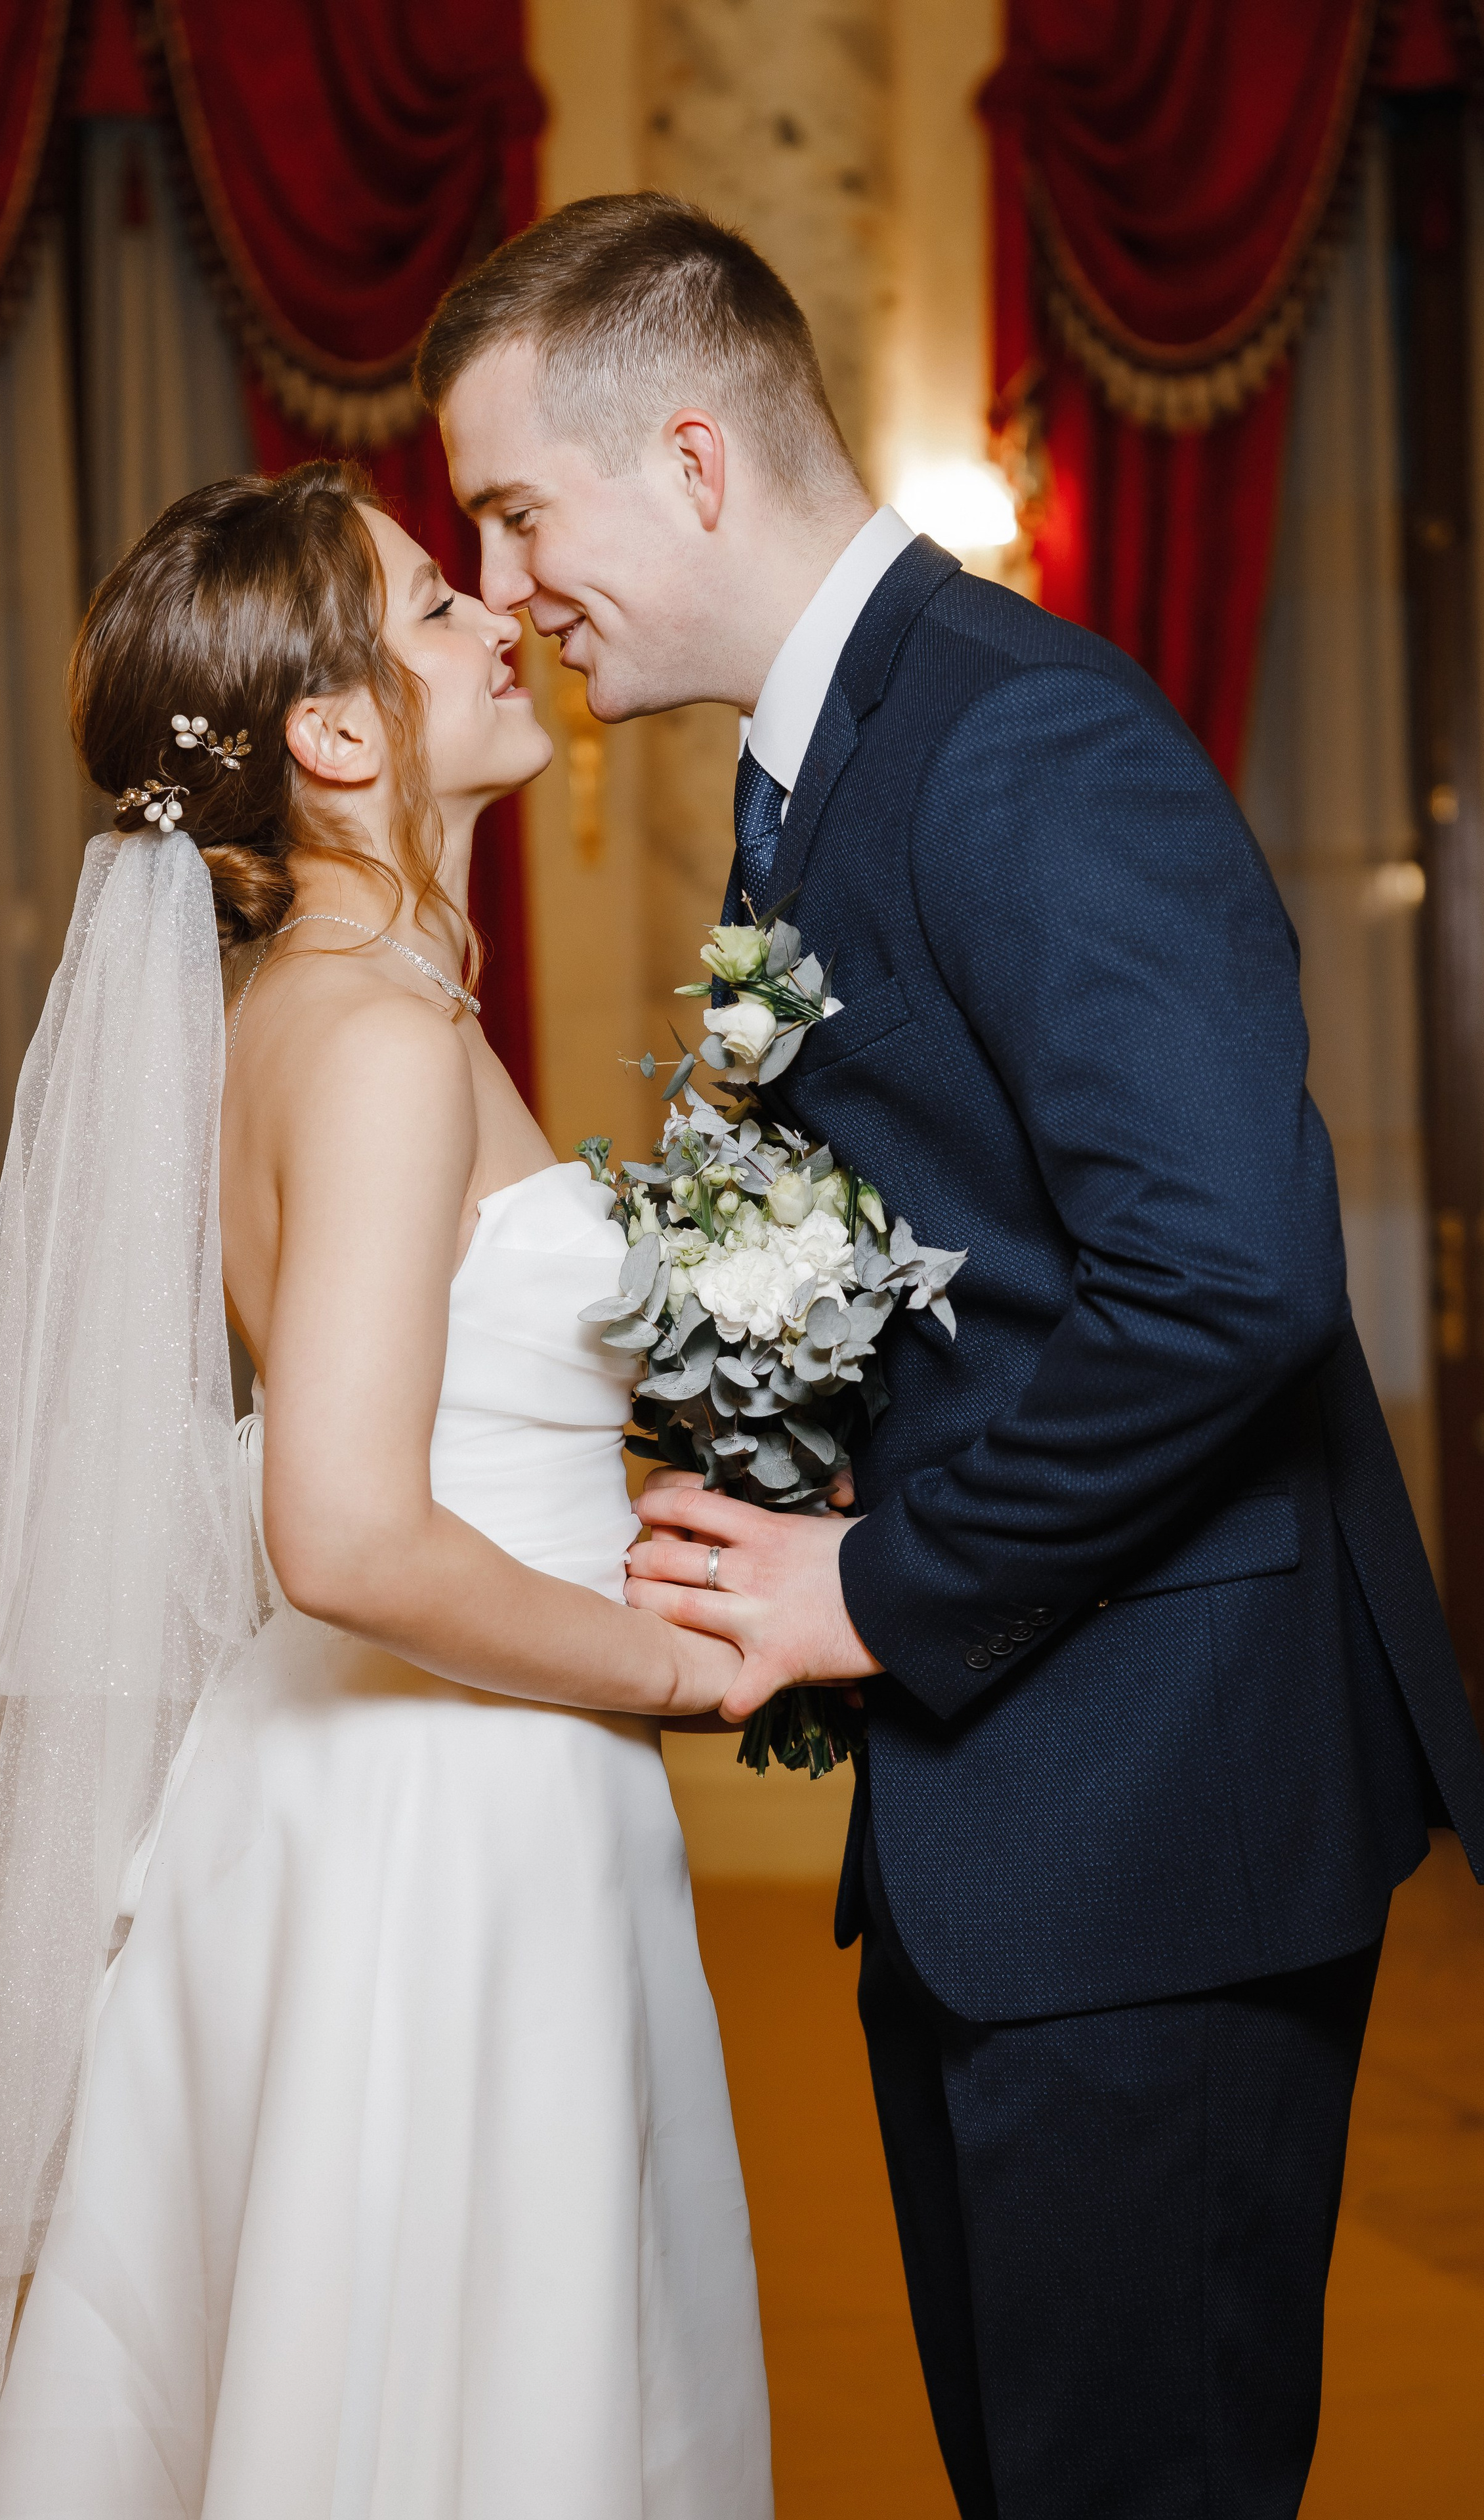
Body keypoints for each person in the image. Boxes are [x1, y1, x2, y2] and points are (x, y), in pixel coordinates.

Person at [420, 192, 1484, 2520]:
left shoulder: (1020, 737)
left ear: (691, 462)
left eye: (517, 512)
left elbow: (1227, 1275)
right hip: (1029, 1824)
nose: (505, 592)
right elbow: (985, 1265)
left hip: (1160, 1824)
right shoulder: (812, 767)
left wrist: (869, 1590)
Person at [0, 462, 774, 2519]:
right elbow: (350, 1531)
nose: (503, 615)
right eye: (439, 597)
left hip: (361, 1776)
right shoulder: (373, 1036)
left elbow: (444, 1419)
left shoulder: (331, 1008)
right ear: (342, 733)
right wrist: (682, 1671)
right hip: (445, 1809)